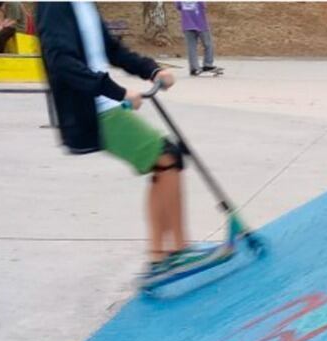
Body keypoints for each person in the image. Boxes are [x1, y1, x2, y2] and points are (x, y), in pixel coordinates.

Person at [34, 3, 201, 274]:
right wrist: (117, 92)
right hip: (92, 110)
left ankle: (166, 252)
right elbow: (60, 61)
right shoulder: (54, 6)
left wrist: (152, 70)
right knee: (167, 157)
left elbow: (112, 49)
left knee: (166, 160)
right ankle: (170, 252)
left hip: (104, 104)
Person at [178, 2, 217, 76]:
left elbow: (178, 6)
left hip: (187, 24)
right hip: (201, 24)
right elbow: (203, 6)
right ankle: (207, 64)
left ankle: (194, 68)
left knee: (191, 47)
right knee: (208, 44)